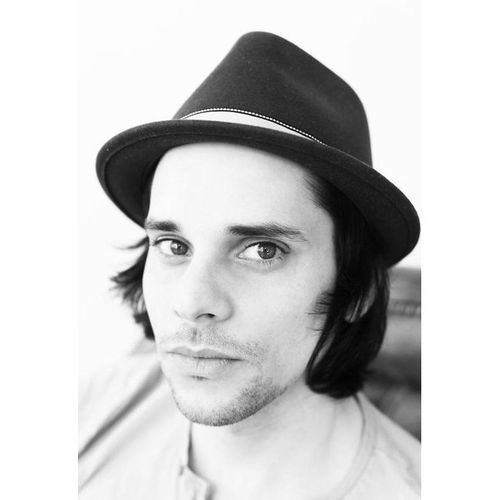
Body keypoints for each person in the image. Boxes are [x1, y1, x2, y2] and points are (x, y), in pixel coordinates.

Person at [79, 32, 421, 499]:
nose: (191, 302)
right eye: (174, 245)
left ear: (357, 289)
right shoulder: (88, 412)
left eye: (262, 250)